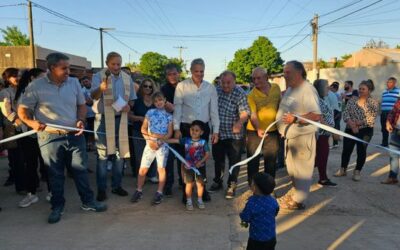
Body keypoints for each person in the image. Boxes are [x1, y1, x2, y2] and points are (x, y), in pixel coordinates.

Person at [18, 52, 107, 224]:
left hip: (75, 135)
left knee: (80, 170)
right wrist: (32, 123)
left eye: (69, 68)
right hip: (49, 137)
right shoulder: (36, 86)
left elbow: (81, 105)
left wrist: (80, 120)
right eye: (64, 68)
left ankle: (88, 202)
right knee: (55, 174)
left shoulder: (73, 82)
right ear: (52, 68)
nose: (68, 71)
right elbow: (22, 110)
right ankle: (57, 206)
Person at [91, 51, 137, 201]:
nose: (116, 67)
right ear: (107, 64)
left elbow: (131, 100)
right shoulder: (98, 76)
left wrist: (128, 106)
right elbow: (93, 96)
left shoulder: (126, 78)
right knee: (103, 155)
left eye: (119, 64)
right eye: (113, 64)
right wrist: (101, 88)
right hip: (103, 119)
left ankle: (117, 186)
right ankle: (102, 189)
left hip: (121, 119)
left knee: (120, 154)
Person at [276, 61, 321, 210]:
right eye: (284, 72)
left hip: (303, 138)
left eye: (288, 72)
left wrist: (296, 119)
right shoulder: (290, 89)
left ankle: (299, 201)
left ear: (299, 72)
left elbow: (316, 115)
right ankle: (296, 194)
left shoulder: (307, 89)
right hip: (291, 137)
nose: (285, 75)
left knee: (302, 171)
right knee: (292, 169)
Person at [173, 58, 219, 202]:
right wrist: (176, 128)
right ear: (191, 71)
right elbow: (177, 108)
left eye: (202, 71)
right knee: (185, 160)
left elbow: (214, 111)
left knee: (201, 159)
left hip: (203, 128)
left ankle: (202, 189)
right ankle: (186, 191)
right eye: (196, 71)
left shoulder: (210, 88)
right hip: (186, 128)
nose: (199, 74)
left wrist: (215, 130)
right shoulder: (182, 86)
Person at [13, 68, 52, 207]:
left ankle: (52, 191)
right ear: (32, 79)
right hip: (29, 134)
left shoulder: (46, 91)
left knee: (47, 164)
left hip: (45, 133)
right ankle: (32, 193)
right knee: (30, 164)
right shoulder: (23, 93)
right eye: (42, 77)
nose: (45, 80)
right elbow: (20, 113)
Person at [209, 70, 250, 199]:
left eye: (228, 82)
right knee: (218, 160)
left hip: (234, 136)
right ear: (219, 81)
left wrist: (239, 123)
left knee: (234, 162)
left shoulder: (240, 93)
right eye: (223, 82)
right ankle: (218, 181)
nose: (225, 85)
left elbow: (245, 112)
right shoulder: (216, 90)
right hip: (219, 134)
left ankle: (232, 184)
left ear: (234, 81)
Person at [130, 92, 173, 204]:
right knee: (143, 168)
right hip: (149, 145)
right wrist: (149, 140)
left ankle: (159, 192)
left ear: (164, 100)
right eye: (156, 101)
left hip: (162, 146)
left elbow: (169, 133)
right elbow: (143, 129)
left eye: (160, 100)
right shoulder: (149, 113)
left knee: (161, 169)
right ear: (154, 103)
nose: (158, 103)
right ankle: (139, 190)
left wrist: (159, 141)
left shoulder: (169, 116)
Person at [334, 80, 378, 181]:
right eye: (360, 88)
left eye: (363, 89)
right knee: (346, 150)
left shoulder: (373, 102)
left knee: (361, 151)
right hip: (350, 128)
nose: (360, 90)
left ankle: (357, 171)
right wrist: (351, 124)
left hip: (365, 130)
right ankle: (343, 169)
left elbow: (371, 118)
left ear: (369, 90)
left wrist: (357, 124)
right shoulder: (353, 99)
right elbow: (345, 112)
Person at [245, 67, 281, 185]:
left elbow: (281, 106)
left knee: (271, 161)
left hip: (272, 131)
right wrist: (258, 129)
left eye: (258, 78)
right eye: (254, 78)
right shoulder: (251, 95)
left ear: (266, 77)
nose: (256, 81)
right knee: (253, 161)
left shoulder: (276, 88)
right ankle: (253, 187)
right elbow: (253, 115)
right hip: (254, 131)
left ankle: (269, 188)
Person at [166, 120, 210, 210]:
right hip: (188, 167)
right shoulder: (186, 140)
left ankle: (200, 199)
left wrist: (200, 162)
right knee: (189, 185)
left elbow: (207, 154)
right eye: (192, 129)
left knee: (200, 185)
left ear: (201, 132)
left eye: (197, 130)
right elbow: (175, 140)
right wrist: (164, 140)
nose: (194, 132)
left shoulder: (203, 142)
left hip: (199, 168)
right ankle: (189, 200)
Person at [128, 78, 158, 181]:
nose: (148, 88)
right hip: (138, 131)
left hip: (153, 132)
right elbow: (130, 116)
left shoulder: (156, 101)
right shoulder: (136, 101)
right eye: (145, 86)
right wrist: (141, 118)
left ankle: (152, 174)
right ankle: (141, 176)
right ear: (142, 87)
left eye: (150, 86)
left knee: (153, 153)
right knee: (139, 155)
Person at [0, 68, 25, 193]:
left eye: (19, 75)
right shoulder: (5, 92)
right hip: (13, 128)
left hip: (26, 127)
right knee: (16, 158)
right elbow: (6, 110)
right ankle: (20, 186)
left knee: (26, 158)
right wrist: (18, 122)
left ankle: (28, 183)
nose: (18, 78)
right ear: (7, 78)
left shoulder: (24, 90)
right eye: (14, 76)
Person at [240, 172, 278, 250]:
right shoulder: (273, 200)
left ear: (254, 188)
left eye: (252, 183)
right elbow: (276, 211)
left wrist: (242, 217)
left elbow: (245, 217)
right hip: (271, 238)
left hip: (256, 240)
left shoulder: (252, 202)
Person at [161, 63, 182, 196]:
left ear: (179, 73)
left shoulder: (185, 86)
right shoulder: (163, 89)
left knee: (183, 156)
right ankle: (168, 185)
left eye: (174, 73)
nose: (172, 76)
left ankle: (183, 181)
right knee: (168, 158)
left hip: (183, 126)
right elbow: (161, 106)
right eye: (169, 74)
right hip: (168, 127)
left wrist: (175, 109)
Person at [313, 79, 337, 187]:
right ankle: (323, 179)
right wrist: (333, 131)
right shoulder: (317, 100)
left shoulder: (322, 99)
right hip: (321, 135)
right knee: (321, 157)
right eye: (327, 86)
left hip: (325, 134)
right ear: (320, 88)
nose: (329, 88)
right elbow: (320, 119)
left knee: (320, 157)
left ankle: (323, 177)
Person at [382, 97, 400, 184]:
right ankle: (392, 177)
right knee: (393, 156)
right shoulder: (399, 100)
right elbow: (392, 112)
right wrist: (388, 122)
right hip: (396, 131)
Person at [380, 77, 399, 147]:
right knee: (383, 128)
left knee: (393, 128)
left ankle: (393, 144)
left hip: (392, 114)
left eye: (390, 82)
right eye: (387, 82)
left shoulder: (398, 91)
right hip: (383, 113)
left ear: (394, 83)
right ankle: (384, 143)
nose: (387, 83)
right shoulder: (384, 91)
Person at [80, 76, 95, 152]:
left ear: (90, 81)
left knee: (94, 131)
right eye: (84, 82)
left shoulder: (95, 89)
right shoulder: (82, 91)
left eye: (86, 81)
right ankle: (88, 145)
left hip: (95, 114)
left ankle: (92, 145)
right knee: (87, 131)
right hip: (87, 114)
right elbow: (87, 102)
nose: (85, 83)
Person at [329, 82, 342, 148]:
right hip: (338, 112)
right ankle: (335, 143)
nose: (329, 88)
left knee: (334, 128)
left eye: (331, 87)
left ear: (334, 88)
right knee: (336, 127)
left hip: (336, 112)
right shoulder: (338, 94)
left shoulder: (334, 95)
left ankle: (334, 143)